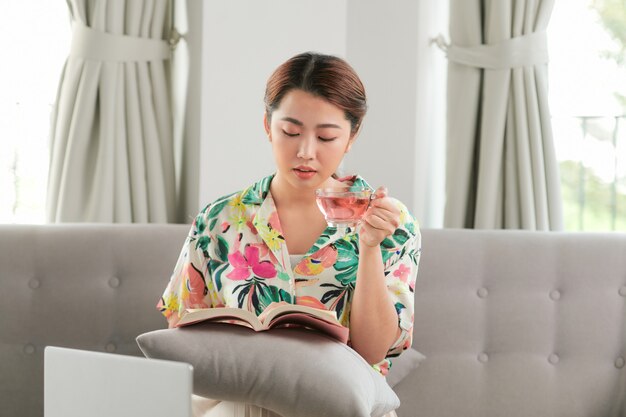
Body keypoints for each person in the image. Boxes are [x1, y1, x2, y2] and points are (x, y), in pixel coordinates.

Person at [157, 51, 421, 417]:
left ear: (351, 136)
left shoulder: (389, 222)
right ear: (268, 125)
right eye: (290, 132)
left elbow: (373, 353)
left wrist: (370, 248)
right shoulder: (219, 221)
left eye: (327, 137)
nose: (305, 152)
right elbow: (180, 331)